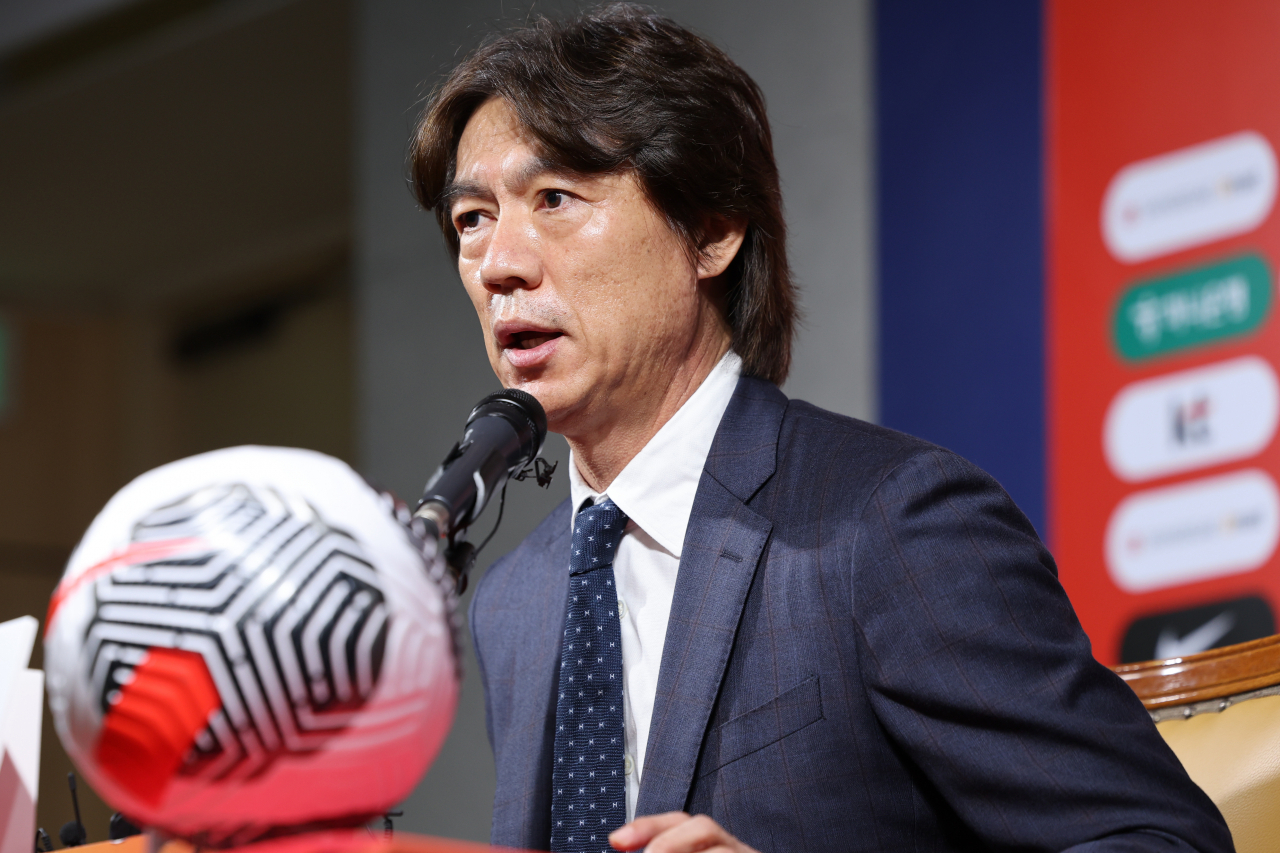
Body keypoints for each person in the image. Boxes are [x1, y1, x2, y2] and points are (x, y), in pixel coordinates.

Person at [410, 5, 1233, 852]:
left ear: (712, 230)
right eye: (472, 219)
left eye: (554, 198)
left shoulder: (890, 524)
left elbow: (1161, 838)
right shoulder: (516, 599)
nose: (499, 262)